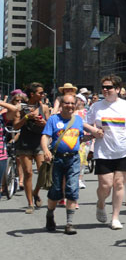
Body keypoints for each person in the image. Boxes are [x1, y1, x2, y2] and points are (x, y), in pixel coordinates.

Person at [84, 75, 126, 230]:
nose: (105, 90)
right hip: (104, 151)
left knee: (119, 184)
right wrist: (94, 130)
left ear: (118, 89)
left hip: (124, 149)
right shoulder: (96, 106)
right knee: (105, 185)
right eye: (103, 87)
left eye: (109, 87)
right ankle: (101, 203)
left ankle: (115, 217)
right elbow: (85, 122)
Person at [41, 92, 88, 234]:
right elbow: (45, 136)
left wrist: (96, 135)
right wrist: (45, 150)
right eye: (67, 103)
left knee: (72, 189)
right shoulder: (54, 119)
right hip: (57, 159)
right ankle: (50, 214)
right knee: (55, 191)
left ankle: (69, 224)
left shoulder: (78, 120)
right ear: (61, 105)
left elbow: (80, 138)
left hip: (73, 159)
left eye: (72, 103)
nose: (70, 106)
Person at [12, 83, 49, 213]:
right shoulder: (20, 108)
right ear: (32, 94)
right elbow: (16, 127)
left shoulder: (44, 107)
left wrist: (44, 123)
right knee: (28, 173)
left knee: (42, 172)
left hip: (39, 142)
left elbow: (49, 126)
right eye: (40, 93)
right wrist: (27, 117)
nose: (43, 95)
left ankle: (35, 192)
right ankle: (30, 204)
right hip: (25, 143)